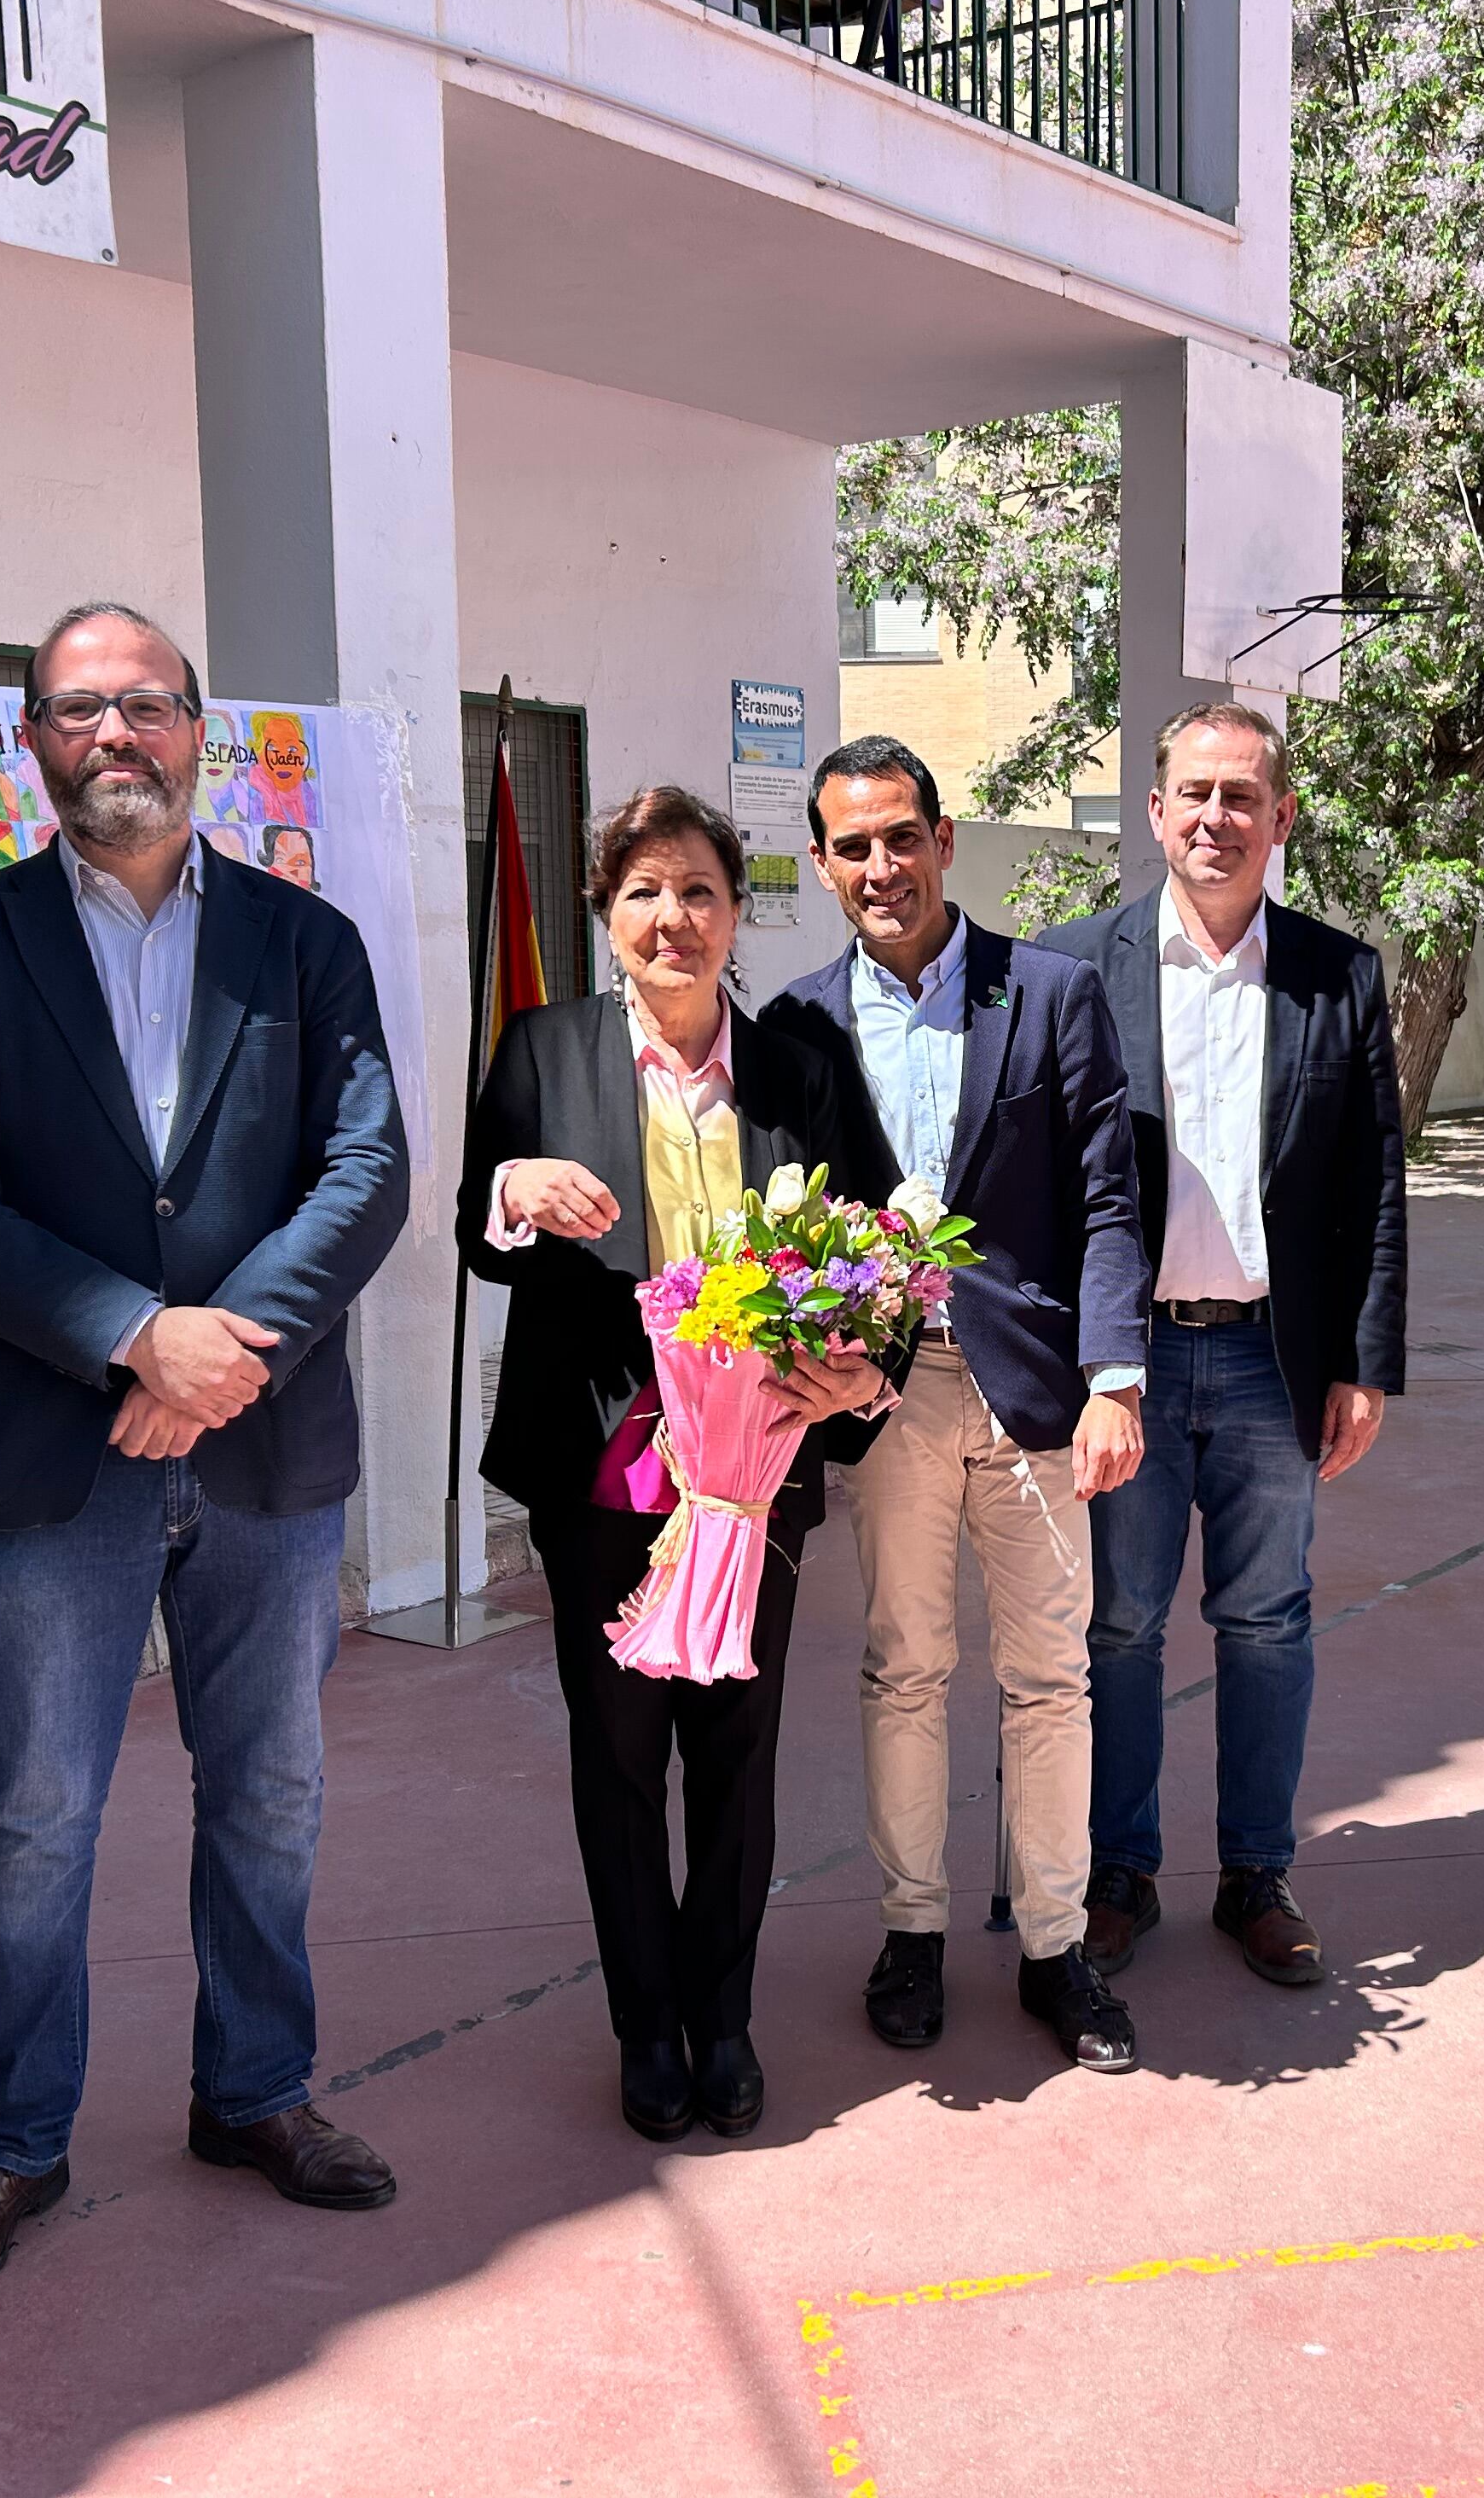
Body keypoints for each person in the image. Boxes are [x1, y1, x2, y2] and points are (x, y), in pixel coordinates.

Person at [0, 601, 411, 2309]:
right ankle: (7, 2145)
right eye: (80, 711)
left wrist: (218, 1349)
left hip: (261, 1450)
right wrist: (132, 1332)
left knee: (271, 1793)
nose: (118, 737)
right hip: (50, 1457)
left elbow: (367, 1168)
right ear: (29, 742)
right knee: (31, 1817)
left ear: (199, 729)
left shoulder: (304, 943)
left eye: (149, 707)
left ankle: (254, 2090)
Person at [460, 789, 888, 2143]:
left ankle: (726, 2019)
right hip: (605, 1467)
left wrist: (863, 1375)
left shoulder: (802, 1070)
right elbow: (481, 1225)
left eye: (699, 890)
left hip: (753, 1472)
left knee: (739, 1754)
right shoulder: (544, 1050)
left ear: (737, 910)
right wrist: (518, 1192)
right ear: (607, 914)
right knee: (619, 1752)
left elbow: (880, 1265)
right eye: (645, 892)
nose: (674, 919)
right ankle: (647, 2030)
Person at [762, 736, 1152, 2072]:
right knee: (904, 1669)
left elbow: (1110, 1196)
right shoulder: (798, 1026)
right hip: (884, 1400)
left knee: (1053, 1678)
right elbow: (776, 1229)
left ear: (944, 839)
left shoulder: (1049, 993)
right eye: (853, 846)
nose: (882, 865)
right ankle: (912, 1930)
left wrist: (1115, 1378)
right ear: (822, 865)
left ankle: (1057, 1947)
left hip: (1039, 1392)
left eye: (902, 836)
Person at [1038, 701, 1407, 1988]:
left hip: (1270, 1361)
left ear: (1282, 818)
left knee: (1267, 1621)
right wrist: (1082, 1369)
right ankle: (1119, 1872)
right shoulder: (1074, 969)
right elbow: (1045, 1188)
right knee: (1123, 1627)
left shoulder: (1338, 974)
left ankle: (1258, 1874)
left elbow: (1373, 1182)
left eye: (1242, 796)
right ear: (1153, 812)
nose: (1216, 818)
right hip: (1130, 1364)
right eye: (1193, 794)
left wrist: (1364, 1360)